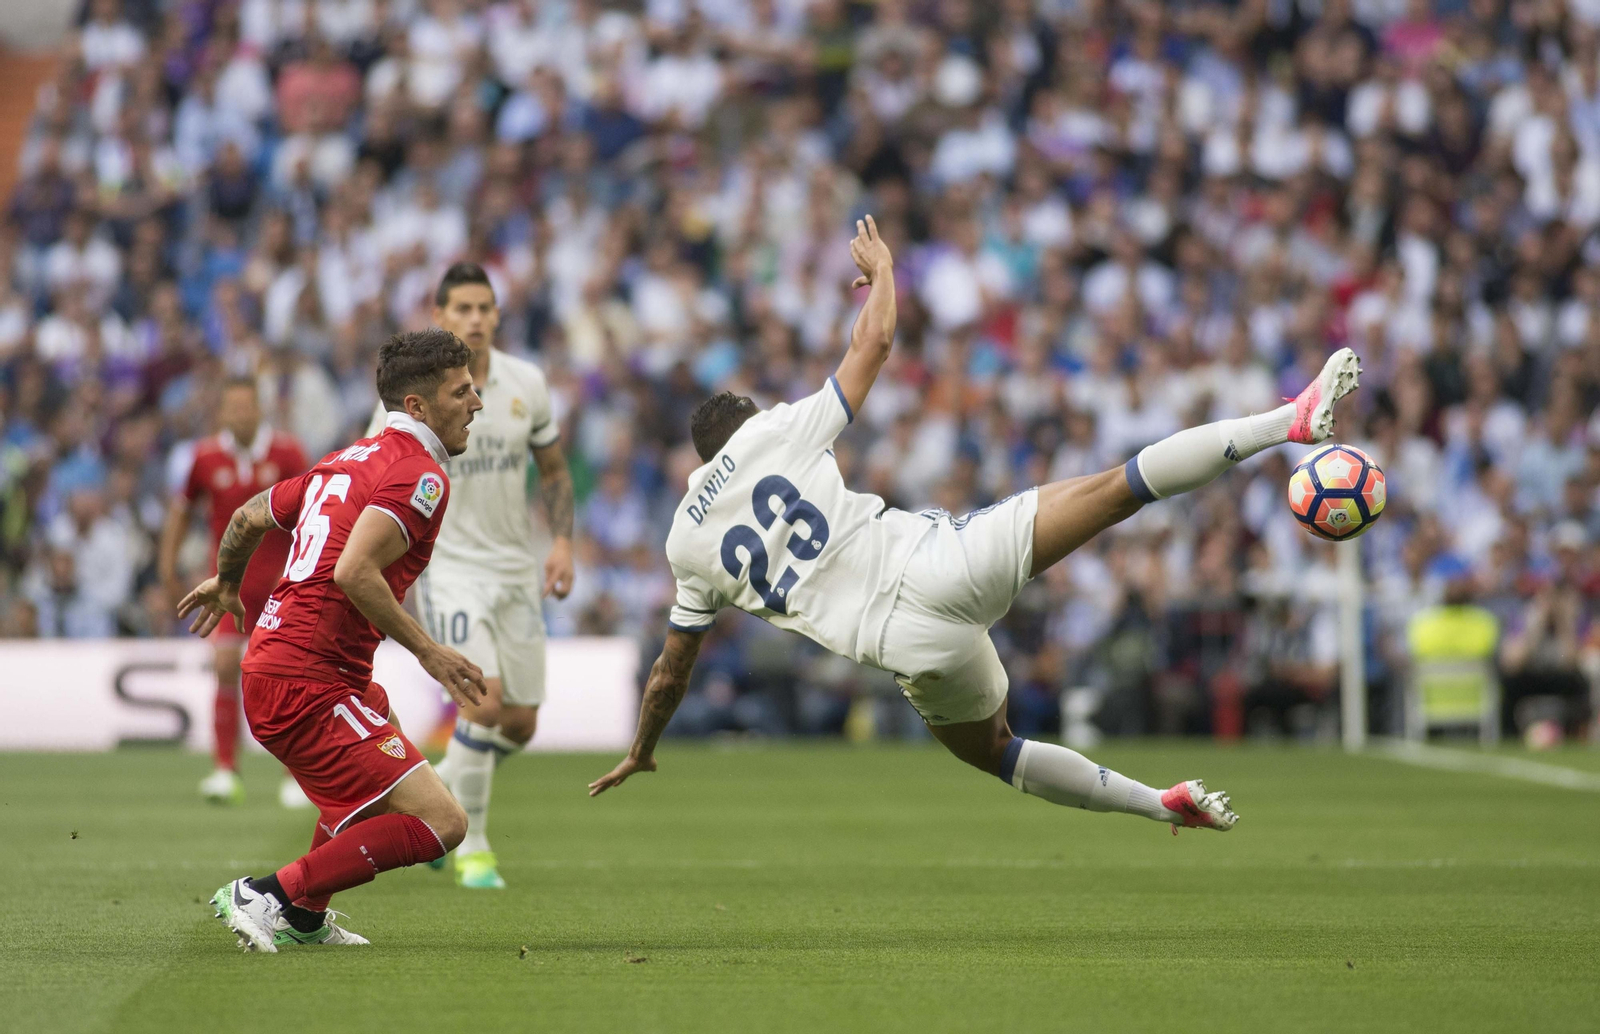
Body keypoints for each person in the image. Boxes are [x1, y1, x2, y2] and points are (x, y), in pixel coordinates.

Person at [590, 217, 1363, 832]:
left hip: (913, 648)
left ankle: (1158, 802)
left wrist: (642, 749)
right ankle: (1286, 422)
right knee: (1118, 488)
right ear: (748, 422)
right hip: (943, 563)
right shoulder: (776, 431)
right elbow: (876, 342)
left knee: (998, 753)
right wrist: (884, 270)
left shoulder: (684, 541)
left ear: (698, 455)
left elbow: (670, 672)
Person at [181, 329, 488, 951]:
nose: (476, 402)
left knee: (365, 791)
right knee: (442, 823)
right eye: (462, 391)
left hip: (307, 671)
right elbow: (354, 571)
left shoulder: (343, 462)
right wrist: (429, 652)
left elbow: (247, 517)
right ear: (418, 406)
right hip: (306, 682)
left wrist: (227, 582)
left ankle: (304, 914)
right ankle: (269, 893)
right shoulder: (421, 477)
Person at [365, 262, 575, 889]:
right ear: (441, 316)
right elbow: (374, 470)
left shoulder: (526, 383)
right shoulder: (416, 395)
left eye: (486, 308)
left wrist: (561, 540)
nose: (477, 319)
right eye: (463, 309)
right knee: (481, 701)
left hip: (516, 567)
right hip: (449, 567)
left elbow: (556, 470)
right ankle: (472, 845)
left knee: (521, 720)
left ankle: (443, 782)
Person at [158, 376, 308, 806]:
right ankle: (226, 770)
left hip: (282, 584)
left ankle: (294, 774)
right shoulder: (204, 457)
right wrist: (167, 569)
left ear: (259, 409)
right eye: (233, 407)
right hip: (228, 586)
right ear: (222, 412)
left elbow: (313, 509)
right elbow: (180, 514)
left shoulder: (287, 452)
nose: (241, 414)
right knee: (226, 665)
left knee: (289, 677)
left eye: (248, 406)